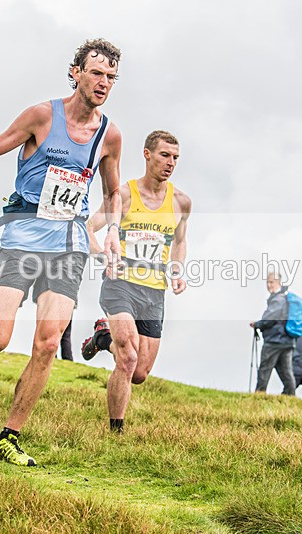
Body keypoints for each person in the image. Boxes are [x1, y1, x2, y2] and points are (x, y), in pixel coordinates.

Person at [0, 38, 124, 467]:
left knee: (45, 343)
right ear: (75, 72)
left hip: (69, 244)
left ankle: (9, 437)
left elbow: (114, 191)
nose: (104, 83)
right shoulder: (42, 116)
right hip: (22, 237)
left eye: (111, 77)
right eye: (96, 73)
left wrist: (112, 230)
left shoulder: (109, 134)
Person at [80, 130, 191, 433]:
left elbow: (180, 242)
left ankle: (103, 338)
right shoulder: (125, 194)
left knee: (140, 372)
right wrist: (103, 255)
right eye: (165, 155)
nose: (171, 163)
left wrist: (177, 269)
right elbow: (89, 227)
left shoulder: (181, 202)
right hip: (120, 285)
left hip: (154, 292)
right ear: (147, 154)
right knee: (127, 358)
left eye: (175, 158)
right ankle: (116, 432)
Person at [250, 272, 296, 395]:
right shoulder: (284, 298)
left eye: (271, 282)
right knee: (286, 371)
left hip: (275, 340)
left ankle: (259, 394)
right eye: (267, 282)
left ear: (279, 283)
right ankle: (290, 395)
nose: (269, 285)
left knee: (265, 369)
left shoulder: (278, 299)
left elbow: (270, 318)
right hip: (287, 341)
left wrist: (258, 324)